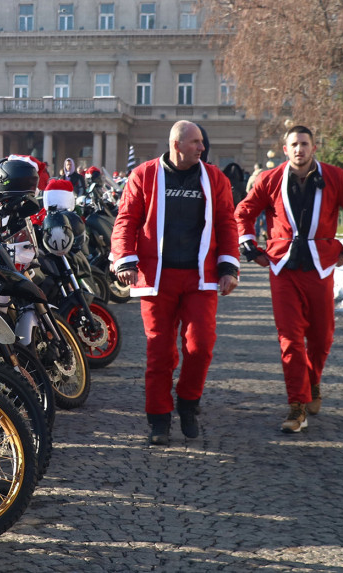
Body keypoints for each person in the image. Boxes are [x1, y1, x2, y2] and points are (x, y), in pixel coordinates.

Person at [234, 125, 343, 434]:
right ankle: (297, 405)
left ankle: (312, 381)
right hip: (283, 267)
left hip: (321, 266)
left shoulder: (335, 177)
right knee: (290, 338)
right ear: (285, 149)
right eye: (294, 144)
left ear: (314, 147)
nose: (299, 149)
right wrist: (250, 249)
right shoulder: (269, 180)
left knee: (321, 337)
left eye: (304, 144)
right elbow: (243, 212)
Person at [110, 120, 240, 445]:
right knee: (159, 352)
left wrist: (229, 266)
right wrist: (125, 259)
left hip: (201, 277)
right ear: (177, 145)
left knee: (200, 346)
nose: (202, 147)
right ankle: (158, 419)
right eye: (196, 142)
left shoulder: (215, 178)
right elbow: (126, 219)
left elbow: (227, 222)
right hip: (158, 278)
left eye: (202, 142)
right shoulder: (144, 175)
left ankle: (188, 402)